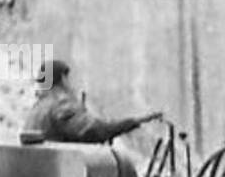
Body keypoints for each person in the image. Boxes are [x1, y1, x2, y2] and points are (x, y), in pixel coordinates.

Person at [23, 59, 161, 144]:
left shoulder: (37, 108)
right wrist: (134, 122)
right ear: (64, 80)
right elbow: (94, 131)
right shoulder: (61, 105)